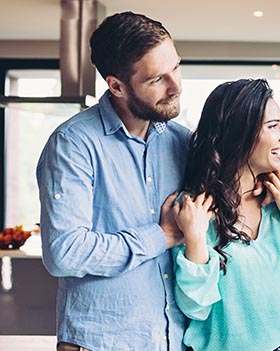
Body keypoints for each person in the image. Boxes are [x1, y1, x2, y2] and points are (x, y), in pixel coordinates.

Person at [36, 12, 189, 351]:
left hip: (175, 341)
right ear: (116, 85)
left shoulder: (183, 142)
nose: (176, 86)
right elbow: (65, 253)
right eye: (157, 79)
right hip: (101, 343)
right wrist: (160, 236)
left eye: (176, 68)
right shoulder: (73, 144)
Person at [170, 78, 280, 351]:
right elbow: (194, 309)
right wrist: (196, 239)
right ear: (239, 135)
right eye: (273, 126)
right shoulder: (194, 208)